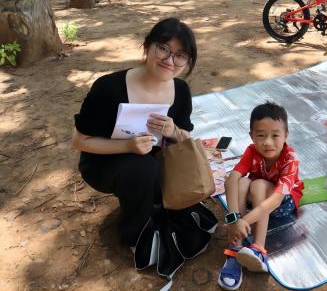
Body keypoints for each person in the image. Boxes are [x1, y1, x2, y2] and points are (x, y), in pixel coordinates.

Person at [72, 17, 197, 247]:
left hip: (156, 160)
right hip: (105, 162)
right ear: (147, 46)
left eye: (180, 55)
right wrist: (128, 146)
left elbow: (185, 139)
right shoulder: (109, 88)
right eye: (163, 48)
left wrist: (173, 130)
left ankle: (154, 201)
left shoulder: (181, 90)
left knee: (170, 170)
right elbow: (79, 141)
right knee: (143, 168)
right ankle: (136, 234)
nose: (170, 60)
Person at [218, 102, 304, 291]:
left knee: (257, 184)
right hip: (257, 201)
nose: (268, 142)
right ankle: (236, 247)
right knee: (242, 182)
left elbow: (275, 200)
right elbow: (231, 180)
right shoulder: (251, 151)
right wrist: (234, 219)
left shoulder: (290, 159)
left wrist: (244, 220)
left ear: (286, 135)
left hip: (282, 204)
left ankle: (259, 250)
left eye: (275, 135)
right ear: (252, 136)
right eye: (261, 135)